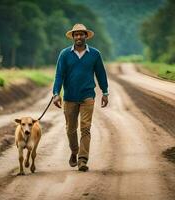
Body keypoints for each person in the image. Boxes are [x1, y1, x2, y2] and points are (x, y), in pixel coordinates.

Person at [52, 23, 109, 172]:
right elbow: (59, 75)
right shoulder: (64, 54)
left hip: (87, 96)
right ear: (72, 36)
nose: (78, 37)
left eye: (81, 34)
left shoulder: (95, 54)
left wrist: (105, 92)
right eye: (76, 34)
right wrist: (56, 93)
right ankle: (74, 151)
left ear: (85, 36)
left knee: (85, 128)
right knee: (70, 129)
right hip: (70, 97)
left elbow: (101, 74)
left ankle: (82, 160)